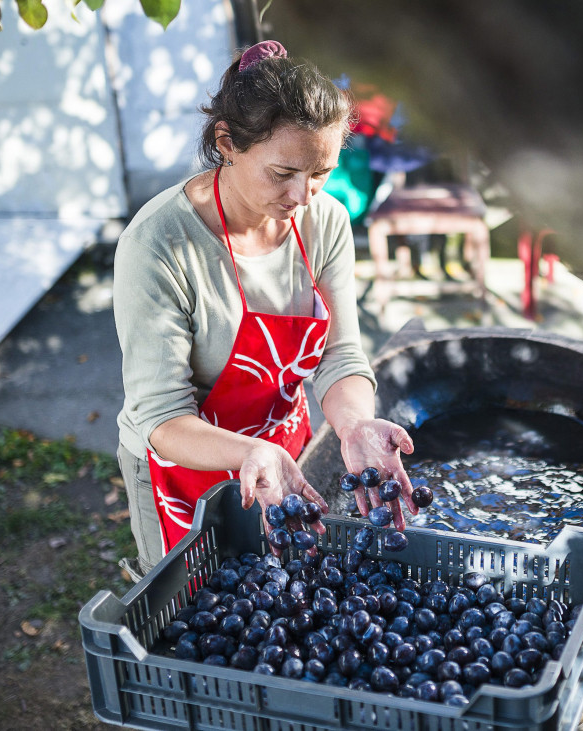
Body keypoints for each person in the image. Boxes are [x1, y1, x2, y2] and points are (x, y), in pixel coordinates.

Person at [113, 40, 416, 577]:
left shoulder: (324, 222)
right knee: (195, 608)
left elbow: (340, 357)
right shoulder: (159, 244)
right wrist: (248, 452)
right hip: (182, 464)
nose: (303, 195)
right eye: (282, 173)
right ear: (227, 143)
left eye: (320, 172)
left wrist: (354, 426)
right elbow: (161, 417)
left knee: (285, 586)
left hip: (280, 452)